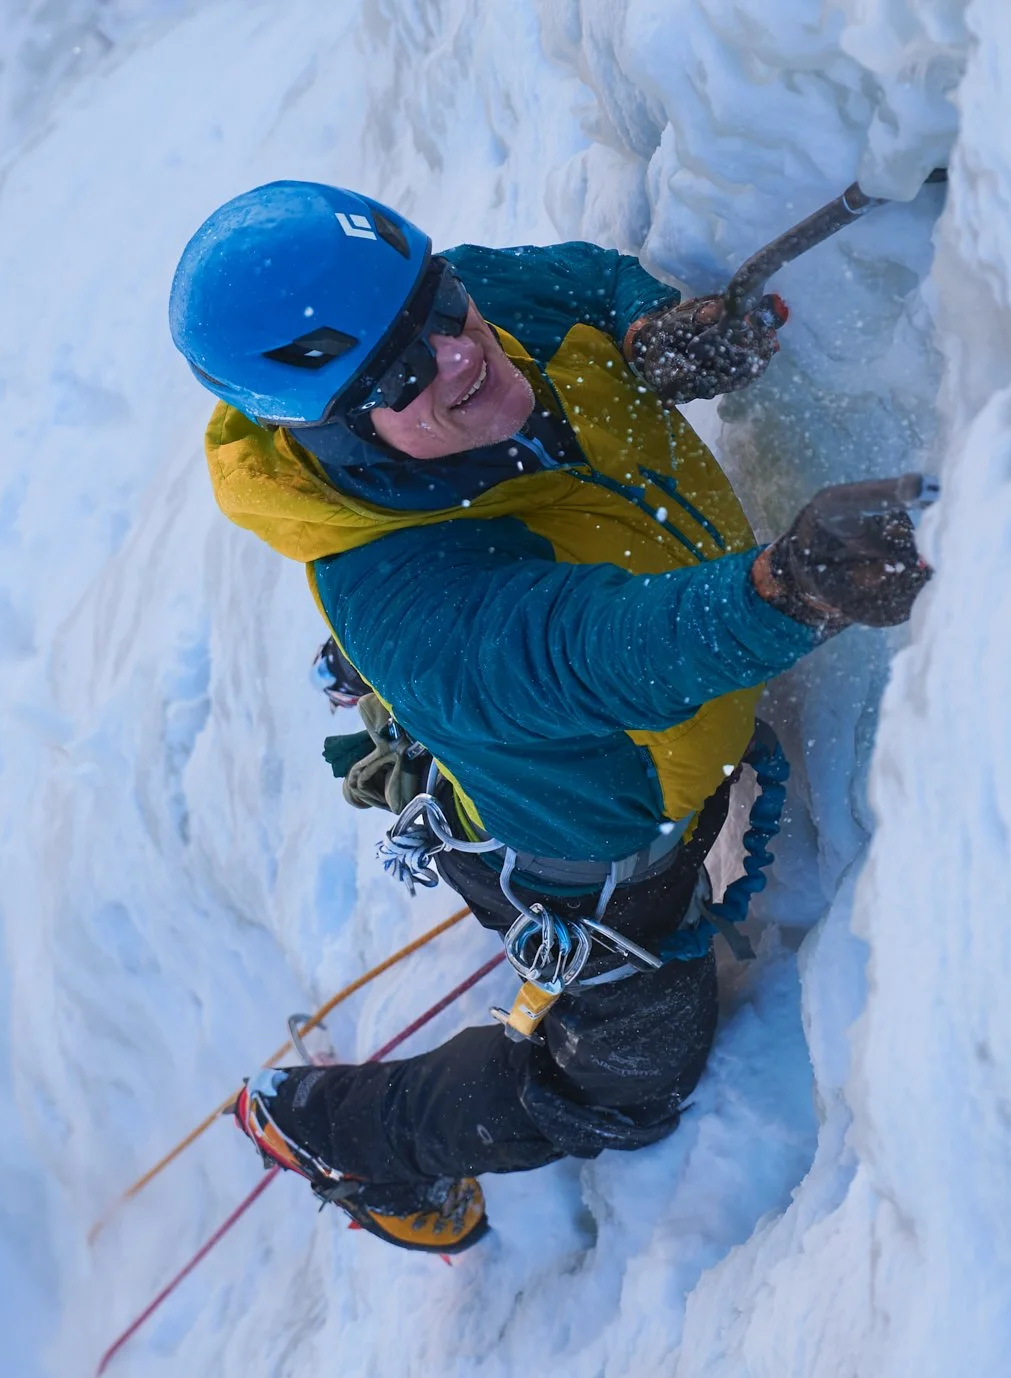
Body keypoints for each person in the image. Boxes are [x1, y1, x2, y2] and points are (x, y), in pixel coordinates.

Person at [169, 180, 932, 1254]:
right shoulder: (418, 609)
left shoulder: (443, 314)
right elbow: (603, 652)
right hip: (594, 838)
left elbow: (566, 279)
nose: (455, 349)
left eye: (438, 301)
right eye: (399, 371)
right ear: (338, 438)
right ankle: (340, 1133)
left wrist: (644, 324)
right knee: (627, 1085)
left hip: (554, 688)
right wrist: (785, 588)